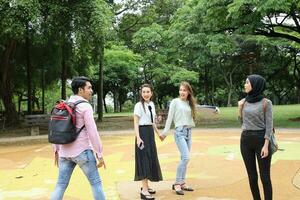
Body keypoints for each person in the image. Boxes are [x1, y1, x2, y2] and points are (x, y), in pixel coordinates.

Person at [51, 76, 106, 200]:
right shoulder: (85, 106)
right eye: (89, 88)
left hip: (64, 153)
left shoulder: (64, 105)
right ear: (80, 90)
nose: (91, 90)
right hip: (83, 152)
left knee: (60, 185)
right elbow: (93, 132)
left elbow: (56, 129)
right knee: (96, 184)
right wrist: (99, 153)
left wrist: (56, 150)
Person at [238, 74, 273, 200]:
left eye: (247, 82)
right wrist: (239, 108)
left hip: (261, 141)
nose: (245, 85)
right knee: (252, 177)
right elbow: (242, 123)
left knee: (265, 177)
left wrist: (266, 145)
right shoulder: (244, 102)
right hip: (245, 141)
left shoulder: (266, 103)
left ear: (255, 85)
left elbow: (269, 126)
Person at [160, 81, 196, 195]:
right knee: (186, 158)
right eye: (180, 90)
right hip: (179, 132)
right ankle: (176, 183)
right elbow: (170, 118)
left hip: (189, 132)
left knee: (184, 159)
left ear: (189, 92)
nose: (182, 92)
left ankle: (182, 182)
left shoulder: (190, 104)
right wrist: (165, 133)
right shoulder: (175, 102)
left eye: (184, 90)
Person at [133, 84, 163, 200]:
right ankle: (144, 191)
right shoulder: (138, 105)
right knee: (144, 160)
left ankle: (146, 186)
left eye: (148, 92)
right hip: (142, 133)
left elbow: (152, 122)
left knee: (150, 158)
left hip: (150, 133)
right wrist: (138, 137)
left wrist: (158, 133)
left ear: (151, 93)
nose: (146, 94)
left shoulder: (151, 104)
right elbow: (135, 122)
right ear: (141, 93)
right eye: (144, 92)